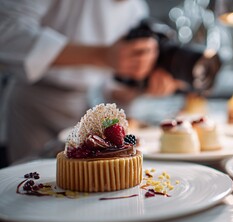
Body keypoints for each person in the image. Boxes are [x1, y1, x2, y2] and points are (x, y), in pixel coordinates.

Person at [0, 0, 182, 167]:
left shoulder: (136, 9)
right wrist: (100, 55)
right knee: (33, 187)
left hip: (83, 107)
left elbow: (113, 92)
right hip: (34, 107)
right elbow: (7, 32)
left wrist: (142, 88)